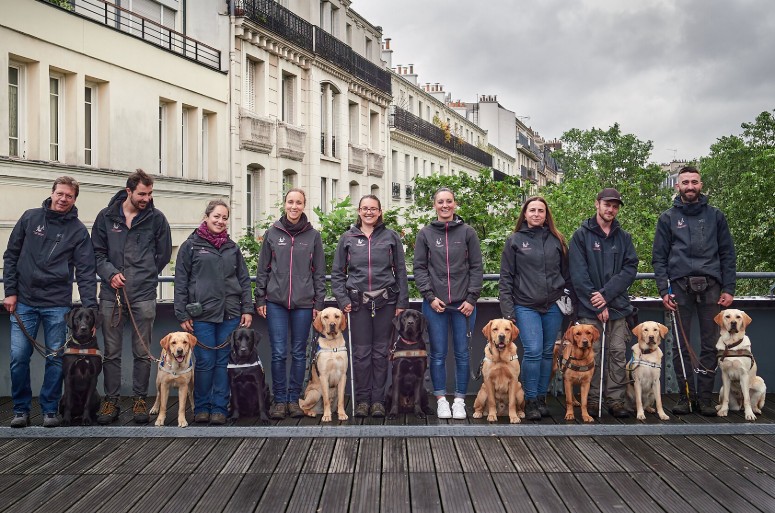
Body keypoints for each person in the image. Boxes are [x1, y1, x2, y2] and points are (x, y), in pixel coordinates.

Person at [3, 176, 97, 428]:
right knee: (18, 356)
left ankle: (49, 410)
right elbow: (11, 255)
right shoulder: (30, 218)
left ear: (75, 199)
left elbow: (86, 271)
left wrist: (92, 310)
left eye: (69, 196)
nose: (63, 199)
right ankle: (21, 409)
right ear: (52, 193)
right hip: (24, 301)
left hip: (57, 304)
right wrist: (10, 291)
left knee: (55, 359)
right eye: (60, 194)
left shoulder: (78, 231)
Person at [652, 165, 736, 416]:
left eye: (694, 182)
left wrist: (729, 287)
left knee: (710, 344)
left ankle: (705, 398)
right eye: (685, 182)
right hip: (679, 287)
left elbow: (727, 254)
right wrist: (663, 290)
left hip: (712, 287)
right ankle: (685, 397)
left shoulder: (716, 216)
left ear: (701, 185)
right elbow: (659, 258)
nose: (690, 186)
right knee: (680, 345)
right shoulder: (667, 218)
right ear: (678, 186)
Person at [91, 169, 172, 424]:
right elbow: (96, 254)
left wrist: (144, 275)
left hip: (144, 295)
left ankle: (139, 399)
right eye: (141, 193)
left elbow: (164, 255)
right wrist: (110, 273)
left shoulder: (157, 220)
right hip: (110, 295)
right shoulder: (105, 217)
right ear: (128, 191)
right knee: (111, 352)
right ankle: (111, 401)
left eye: (149, 193)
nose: (146, 198)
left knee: (143, 351)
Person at [174, 200, 253, 425]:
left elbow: (244, 280)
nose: (220, 221)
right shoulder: (190, 245)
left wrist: (247, 308)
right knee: (206, 361)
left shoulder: (232, 248)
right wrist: (182, 314)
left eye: (224, 218)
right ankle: (202, 407)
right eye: (216, 216)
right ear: (206, 216)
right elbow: (181, 281)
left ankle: (219, 408)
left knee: (223, 362)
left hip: (230, 314)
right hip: (201, 315)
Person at [331, 195, 410, 418]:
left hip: (386, 302)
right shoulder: (347, 238)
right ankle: (363, 400)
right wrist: (343, 300)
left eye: (373, 209)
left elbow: (401, 272)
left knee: (380, 353)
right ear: (358, 211)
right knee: (361, 353)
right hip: (357, 304)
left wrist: (401, 302)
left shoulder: (391, 237)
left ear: (380, 211)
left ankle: (377, 400)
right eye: (365, 208)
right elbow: (337, 274)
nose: (369, 212)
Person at [255, 188, 326, 420]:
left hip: (304, 303)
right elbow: (263, 269)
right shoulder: (273, 233)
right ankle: (279, 399)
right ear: (284, 204)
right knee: (278, 353)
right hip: (275, 302)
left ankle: (295, 399)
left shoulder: (313, 236)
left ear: (304, 205)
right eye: (290, 202)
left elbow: (319, 273)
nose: (294, 206)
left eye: (298, 203)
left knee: (298, 353)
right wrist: (260, 298)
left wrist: (318, 303)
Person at [413, 187, 483, 419]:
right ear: (435, 206)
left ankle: (460, 400)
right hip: (435, 306)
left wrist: (472, 299)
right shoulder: (425, 234)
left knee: (463, 354)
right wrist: (430, 297)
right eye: (440, 202)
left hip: (464, 306)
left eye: (449, 201)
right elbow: (420, 268)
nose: (445, 205)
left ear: (455, 204)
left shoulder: (468, 232)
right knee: (438, 354)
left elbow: (476, 267)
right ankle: (442, 399)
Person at [499, 196, 571, 420]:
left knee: (547, 353)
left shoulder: (557, 240)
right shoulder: (515, 240)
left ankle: (541, 398)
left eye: (541, 210)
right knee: (532, 351)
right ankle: (530, 400)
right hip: (525, 305)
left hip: (553, 306)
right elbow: (506, 278)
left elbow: (567, 275)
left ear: (546, 214)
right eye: (532, 210)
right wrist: (508, 312)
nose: (537, 214)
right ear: (525, 214)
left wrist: (566, 299)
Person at [569, 188, 638, 418]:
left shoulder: (624, 237)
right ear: (597, 204)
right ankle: (591, 399)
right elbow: (578, 275)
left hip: (618, 306)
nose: (611, 209)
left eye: (615, 206)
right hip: (589, 309)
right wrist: (598, 304)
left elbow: (630, 269)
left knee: (618, 353)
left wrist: (606, 296)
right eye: (607, 204)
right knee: (592, 354)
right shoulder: (581, 236)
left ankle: (615, 400)